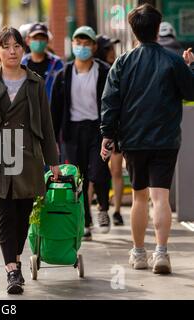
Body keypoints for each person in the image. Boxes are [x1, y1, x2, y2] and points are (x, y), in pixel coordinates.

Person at [0, 27, 60, 294]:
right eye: (6, 46)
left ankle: (16, 261)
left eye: (17, 45)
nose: (12, 51)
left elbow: (46, 124)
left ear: (23, 49)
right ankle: (12, 270)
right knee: (5, 216)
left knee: (22, 217)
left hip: (27, 158)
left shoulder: (35, 83)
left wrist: (53, 160)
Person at [101, 4, 194, 274]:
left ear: (133, 30)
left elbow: (110, 101)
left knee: (140, 198)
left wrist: (107, 134)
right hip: (165, 139)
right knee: (160, 197)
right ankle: (162, 253)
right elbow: (189, 91)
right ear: (157, 28)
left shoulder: (123, 62)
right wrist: (188, 67)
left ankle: (139, 253)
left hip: (134, 139)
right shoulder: (174, 60)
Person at [51, 26, 112, 241]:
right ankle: (85, 221)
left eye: (87, 43)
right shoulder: (64, 74)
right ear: (73, 45)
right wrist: (53, 140)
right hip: (72, 131)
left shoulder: (105, 72)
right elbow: (55, 110)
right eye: (78, 43)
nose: (82, 47)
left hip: (98, 129)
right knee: (78, 178)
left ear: (94, 46)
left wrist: (112, 131)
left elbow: (113, 103)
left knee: (99, 171)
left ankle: (103, 207)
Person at [95, 35, 124, 226]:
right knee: (94, 173)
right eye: (109, 49)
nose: (113, 52)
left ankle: (117, 210)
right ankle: (98, 209)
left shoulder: (119, 69)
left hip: (116, 128)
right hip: (95, 129)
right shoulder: (97, 71)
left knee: (116, 170)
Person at [21, 23, 64, 102]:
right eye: (35, 38)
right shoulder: (21, 64)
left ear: (47, 40)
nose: (38, 41)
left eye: (42, 38)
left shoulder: (57, 64)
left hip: (51, 112)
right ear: (27, 40)